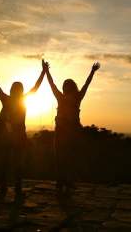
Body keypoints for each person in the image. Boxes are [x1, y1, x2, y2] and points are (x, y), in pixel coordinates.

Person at [0, 60, 46, 198]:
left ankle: (4, 186)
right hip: (15, 136)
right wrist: (43, 71)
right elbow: (36, 87)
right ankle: (15, 186)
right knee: (15, 162)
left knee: (7, 161)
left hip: (10, 136)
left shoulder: (6, 99)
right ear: (20, 90)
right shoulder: (21, 100)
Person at [44, 61, 100, 193]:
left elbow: (52, 84)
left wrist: (46, 71)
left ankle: (62, 181)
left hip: (65, 131)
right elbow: (86, 85)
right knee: (68, 157)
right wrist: (92, 72)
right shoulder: (75, 97)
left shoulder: (63, 97)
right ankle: (66, 181)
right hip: (70, 132)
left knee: (62, 157)